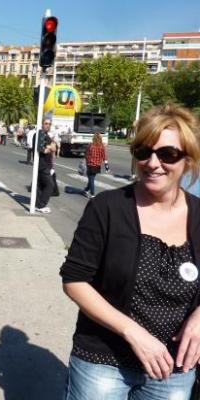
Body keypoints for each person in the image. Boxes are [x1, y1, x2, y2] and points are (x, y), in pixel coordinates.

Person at [60, 104, 200, 399]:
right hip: (103, 361)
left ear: (187, 160)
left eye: (168, 154)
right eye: (143, 152)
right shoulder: (107, 207)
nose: (153, 163)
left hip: (173, 368)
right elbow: (74, 280)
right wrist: (132, 332)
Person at [34, 118, 56, 213]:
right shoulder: (39, 134)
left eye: (49, 124)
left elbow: (53, 148)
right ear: (42, 124)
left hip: (45, 164)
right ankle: (41, 205)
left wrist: (50, 146)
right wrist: (49, 147)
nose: (48, 125)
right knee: (50, 185)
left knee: (40, 185)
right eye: (46, 123)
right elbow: (43, 149)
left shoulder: (46, 136)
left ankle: (37, 204)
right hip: (42, 165)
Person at [83, 132, 109, 198]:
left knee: (91, 179)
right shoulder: (102, 146)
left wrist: (86, 161)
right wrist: (106, 167)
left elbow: (86, 155)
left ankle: (92, 194)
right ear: (100, 138)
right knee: (91, 178)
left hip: (90, 165)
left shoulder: (90, 145)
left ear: (93, 138)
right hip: (97, 165)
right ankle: (86, 190)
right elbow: (104, 156)